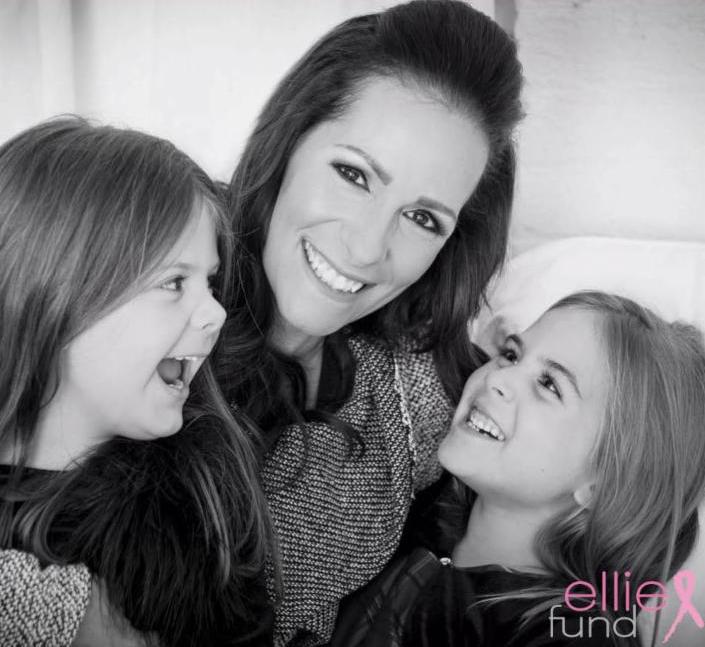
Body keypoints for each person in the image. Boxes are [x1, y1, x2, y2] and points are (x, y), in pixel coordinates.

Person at [217, 2, 523, 643]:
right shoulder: (148, 291)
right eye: (354, 174)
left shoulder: (415, 389)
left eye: (423, 219)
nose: (365, 248)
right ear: (290, 139)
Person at [0, 117, 274, 646]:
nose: (217, 312)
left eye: (210, 282)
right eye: (174, 282)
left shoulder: (201, 503)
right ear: (56, 293)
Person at [329, 291, 705, 647]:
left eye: (549, 384)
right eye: (511, 354)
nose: (497, 378)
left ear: (605, 483)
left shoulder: (568, 633)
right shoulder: (403, 502)